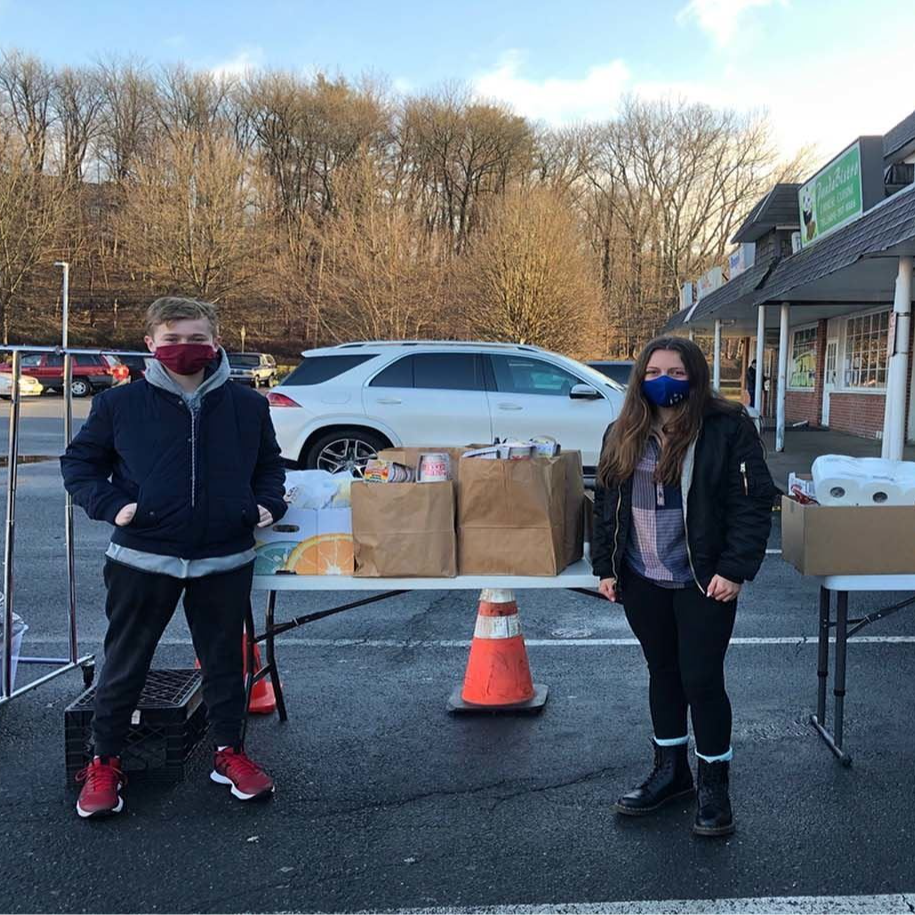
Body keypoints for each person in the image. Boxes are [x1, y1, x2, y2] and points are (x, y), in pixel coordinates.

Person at [61, 296, 288, 819]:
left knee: (226, 664)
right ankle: (104, 761)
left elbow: (269, 467)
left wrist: (265, 504)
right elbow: (80, 466)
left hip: (223, 558)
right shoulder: (119, 405)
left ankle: (229, 753)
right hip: (143, 558)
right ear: (150, 344)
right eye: (172, 339)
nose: (184, 349)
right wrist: (115, 507)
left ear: (215, 341)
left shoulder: (248, 405)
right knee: (124, 663)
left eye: (195, 338)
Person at [591, 335, 775, 837]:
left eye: (674, 371)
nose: (662, 381)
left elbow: (754, 501)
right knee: (663, 673)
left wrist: (735, 569)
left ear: (694, 376)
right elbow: (606, 502)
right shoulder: (622, 430)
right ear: (639, 380)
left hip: (703, 581)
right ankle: (671, 773)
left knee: (701, 680)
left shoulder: (727, 426)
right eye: (651, 373)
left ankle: (714, 786)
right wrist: (604, 567)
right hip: (643, 578)